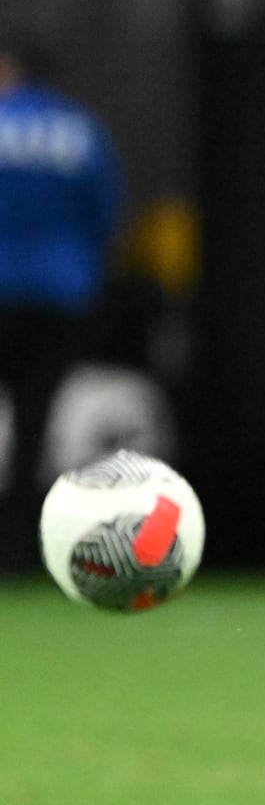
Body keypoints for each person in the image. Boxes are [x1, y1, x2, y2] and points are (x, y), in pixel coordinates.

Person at [0, 33, 125, 568]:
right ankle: (23, 550)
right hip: (59, 299)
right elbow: (107, 213)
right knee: (35, 423)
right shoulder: (81, 130)